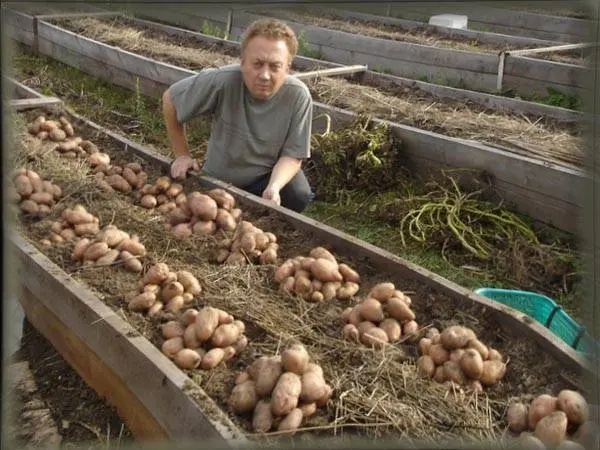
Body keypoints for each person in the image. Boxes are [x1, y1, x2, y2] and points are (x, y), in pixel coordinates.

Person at [161, 18, 314, 212]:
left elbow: (293, 155)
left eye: (275, 66)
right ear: (242, 62)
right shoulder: (223, 81)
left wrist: (274, 187)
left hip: (264, 178)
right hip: (220, 176)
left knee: (298, 194)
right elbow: (170, 99)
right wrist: (182, 155)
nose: (265, 75)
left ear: (287, 67)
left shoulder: (297, 96)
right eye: (257, 64)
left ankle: (269, 211)